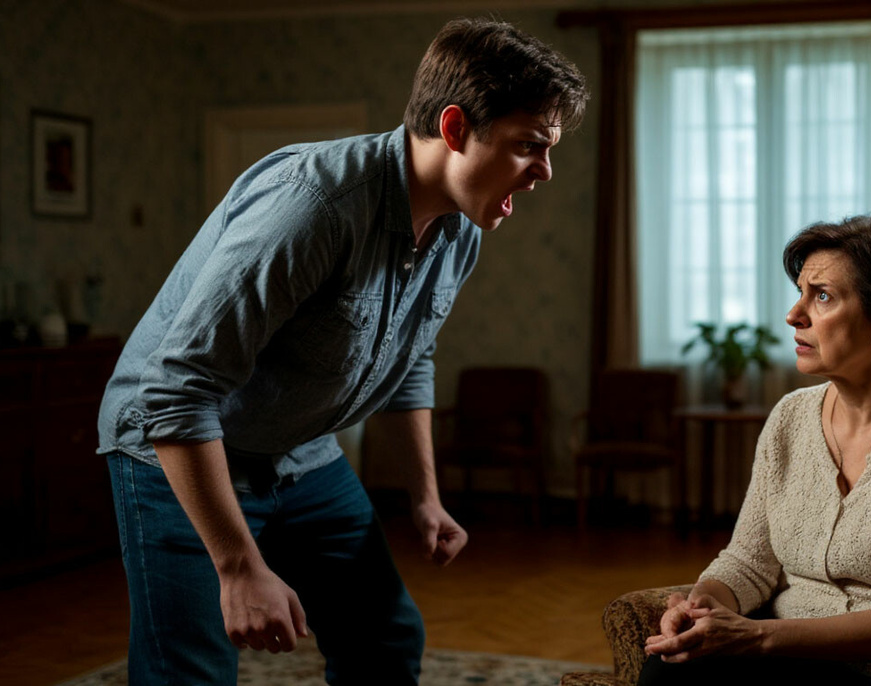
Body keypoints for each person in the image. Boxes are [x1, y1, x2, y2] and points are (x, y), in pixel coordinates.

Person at [97, 18, 587, 686]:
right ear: (454, 128)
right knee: (189, 671)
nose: (545, 172)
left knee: (384, 636)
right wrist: (239, 568)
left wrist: (425, 497)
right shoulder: (312, 206)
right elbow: (177, 391)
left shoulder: (461, 226)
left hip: (301, 450)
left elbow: (410, 355)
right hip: (174, 448)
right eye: (529, 145)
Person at [639, 211, 871, 684]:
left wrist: (757, 637)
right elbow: (748, 561)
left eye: (822, 296)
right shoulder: (790, 416)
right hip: (780, 652)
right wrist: (702, 605)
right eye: (801, 292)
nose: (794, 315)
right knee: (669, 665)